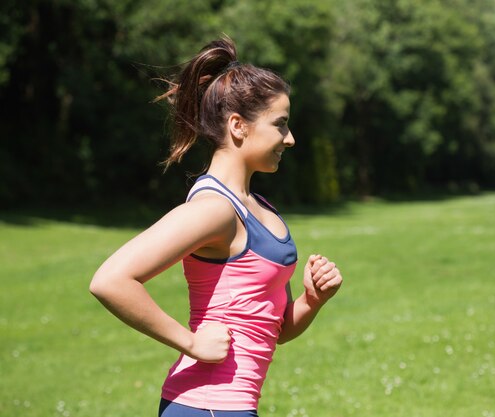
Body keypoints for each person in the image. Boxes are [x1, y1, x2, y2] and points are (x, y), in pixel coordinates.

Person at [89, 36, 343, 417]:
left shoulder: (259, 208)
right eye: (280, 125)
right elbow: (110, 280)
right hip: (205, 406)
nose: (290, 139)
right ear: (238, 126)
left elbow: (272, 330)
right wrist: (191, 343)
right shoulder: (214, 209)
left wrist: (312, 300)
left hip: (231, 407)